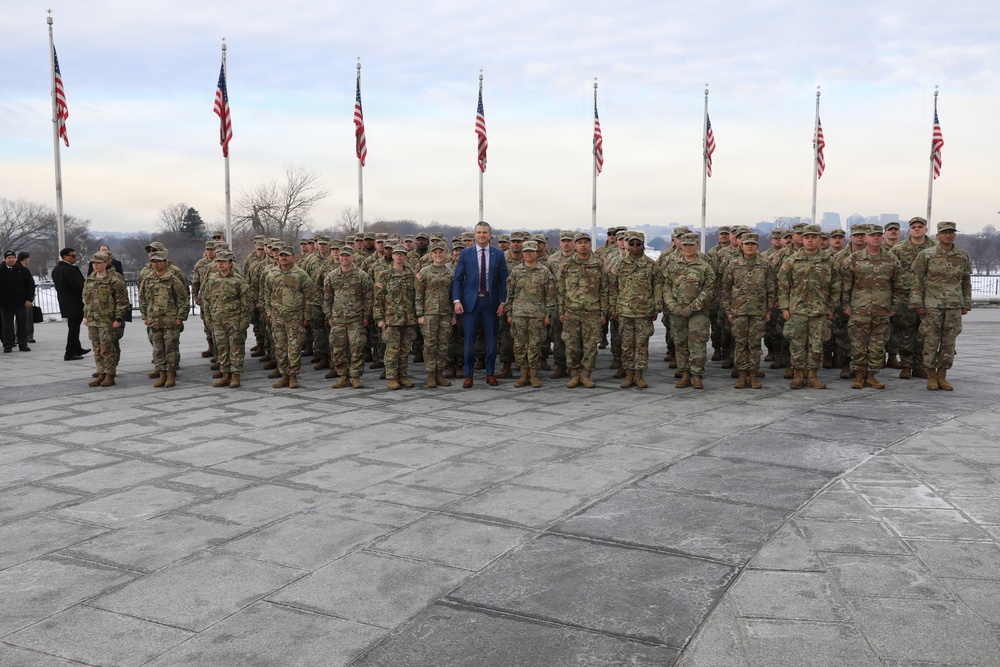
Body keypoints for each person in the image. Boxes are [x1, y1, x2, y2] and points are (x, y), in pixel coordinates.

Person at [910, 220, 972, 391]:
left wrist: (966, 303)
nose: (948, 235)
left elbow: (966, 281)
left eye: (951, 232)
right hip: (932, 305)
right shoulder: (926, 255)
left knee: (949, 342)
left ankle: (942, 375)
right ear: (937, 235)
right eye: (944, 232)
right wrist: (917, 303)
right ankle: (930, 375)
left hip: (953, 306)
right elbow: (917, 280)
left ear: (954, 235)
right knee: (930, 340)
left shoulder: (961, 256)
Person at [841, 225, 904, 389]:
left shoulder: (891, 260)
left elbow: (898, 286)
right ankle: (859, 375)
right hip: (859, 310)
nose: (875, 238)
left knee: (877, 346)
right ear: (865, 238)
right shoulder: (854, 259)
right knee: (858, 345)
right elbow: (846, 285)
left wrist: (894, 307)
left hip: (882, 310)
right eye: (872, 235)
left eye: (878, 235)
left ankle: (871, 375)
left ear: (882, 237)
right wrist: (846, 305)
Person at [778, 225, 841, 389]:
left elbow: (836, 287)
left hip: (820, 311)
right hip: (797, 310)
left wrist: (831, 308)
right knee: (797, 344)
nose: (810, 240)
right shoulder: (792, 261)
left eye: (814, 237)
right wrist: (785, 307)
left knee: (817, 345)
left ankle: (812, 375)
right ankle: (798, 375)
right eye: (807, 237)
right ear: (802, 239)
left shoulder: (829, 262)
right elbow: (783, 286)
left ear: (820, 240)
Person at [452, 221, 508, 387]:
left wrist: (503, 302)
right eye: (479, 232)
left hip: (491, 303)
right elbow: (457, 279)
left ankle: (490, 373)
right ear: (474, 235)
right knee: (469, 341)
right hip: (470, 303)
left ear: (490, 235)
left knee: (491, 340)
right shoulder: (466, 254)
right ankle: (469, 375)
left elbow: (503, 280)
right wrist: (456, 301)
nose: (482, 235)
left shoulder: (498, 254)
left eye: (485, 232)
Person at [662, 233, 716, 389]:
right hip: (677, 312)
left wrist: (692, 308)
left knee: (697, 344)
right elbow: (666, 288)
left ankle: (697, 375)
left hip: (698, 313)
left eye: (691, 245)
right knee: (680, 344)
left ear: (697, 246)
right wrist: (674, 306)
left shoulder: (705, 267)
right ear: (680, 246)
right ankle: (684, 374)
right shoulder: (673, 266)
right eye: (685, 245)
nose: (687, 248)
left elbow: (708, 290)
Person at [721, 233, 774, 389]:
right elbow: (725, 289)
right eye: (747, 244)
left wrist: (768, 309)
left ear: (757, 246)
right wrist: (728, 310)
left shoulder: (765, 265)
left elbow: (771, 290)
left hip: (758, 312)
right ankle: (742, 374)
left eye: (753, 244)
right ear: (741, 246)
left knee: (755, 345)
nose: (750, 246)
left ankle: (754, 374)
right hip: (739, 312)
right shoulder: (733, 265)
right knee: (740, 344)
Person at [609, 232, 661, 389]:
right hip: (624, 311)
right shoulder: (618, 265)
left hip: (644, 312)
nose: (635, 247)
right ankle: (628, 374)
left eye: (638, 244)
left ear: (643, 245)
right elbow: (612, 288)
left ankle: (639, 375)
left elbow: (658, 287)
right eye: (632, 244)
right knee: (626, 344)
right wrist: (614, 308)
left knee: (641, 344)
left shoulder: (651, 265)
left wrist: (656, 307)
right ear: (627, 245)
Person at [557, 232, 609, 388]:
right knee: (571, 345)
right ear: (575, 245)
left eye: (586, 242)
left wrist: (603, 312)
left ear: (590, 245)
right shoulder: (567, 265)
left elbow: (604, 290)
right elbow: (560, 290)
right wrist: (561, 311)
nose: (583, 245)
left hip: (592, 312)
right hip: (571, 312)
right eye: (580, 243)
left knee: (590, 346)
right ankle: (573, 374)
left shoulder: (598, 264)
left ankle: (586, 375)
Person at [890, 216, 937, 379]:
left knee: (924, 334)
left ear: (926, 229)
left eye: (920, 226)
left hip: (928, 297)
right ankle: (906, 366)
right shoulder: (898, 249)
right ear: (909, 230)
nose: (917, 229)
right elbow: (890, 270)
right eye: (914, 227)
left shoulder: (935, 248)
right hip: (906, 297)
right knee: (905, 332)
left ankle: (920, 366)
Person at [506, 240, 555, 388]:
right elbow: (510, 294)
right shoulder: (516, 271)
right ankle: (523, 374)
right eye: (526, 251)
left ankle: (534, 375)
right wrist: (509, 313)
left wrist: (548, 314)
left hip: (537, 315)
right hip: (519, 314)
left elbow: (550, 296)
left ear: (536, 253)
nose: (528, 254)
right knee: (519, 346)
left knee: (535, 346)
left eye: (531, 251)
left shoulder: (544, 271)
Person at [324, 244, 374, 389]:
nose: (344, 258)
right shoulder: (332, 276)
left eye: (347, 255)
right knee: (338, 349)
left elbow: (369, 298)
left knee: (357, 348)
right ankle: (343, 376)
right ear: (339, 257)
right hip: (338, 320)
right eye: (342, 255)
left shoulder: (362, 276)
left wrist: (366, 316)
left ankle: (356, 377)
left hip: (356, 319)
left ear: (352, 257)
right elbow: (327, 298)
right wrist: (329, 316)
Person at [201, 251, 252, 388]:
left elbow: (246, 303)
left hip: (234, 320)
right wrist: (209, 319)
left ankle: (235, 376)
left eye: (223, 261)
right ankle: (225, 374)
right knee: (222, 349)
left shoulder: (237, 280)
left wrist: (243, 323)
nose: (220, 264)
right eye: (218, 261)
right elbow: (206, 300)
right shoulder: (211, 279)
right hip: (218, 321)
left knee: (236, 349)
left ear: (230, 263)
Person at [140, 251, 190, 387]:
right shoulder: (148, 279)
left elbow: (183, 300)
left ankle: (171, 375)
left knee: (171, 349)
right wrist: (145, 315)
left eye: (159, 261)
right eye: (153, 261)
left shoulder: (173, 280)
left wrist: (180, 317)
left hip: (170, 321)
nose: (156, 264)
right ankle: (161, 374)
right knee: (158, 349)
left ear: (165, 262)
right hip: (154, 321)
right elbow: (143, 299)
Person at [82, 251, 129, 387]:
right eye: (93, 263)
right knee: (97, 349)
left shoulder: (114, 280)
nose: (95, 265)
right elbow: (86, 300)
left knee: (107, 348)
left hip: (108, 320)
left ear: (106, 263)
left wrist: (118, 319)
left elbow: (122, 301)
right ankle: (101, 373)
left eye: (98, 263)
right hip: (93, 320)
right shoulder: (90, 279)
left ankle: (109, 374)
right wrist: (86, 316)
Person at [268, 246, 313, 388]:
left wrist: (306, 316)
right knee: (280, 347)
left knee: (294, 348)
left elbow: (309, 296)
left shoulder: (301, 275)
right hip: (277, 317)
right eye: (281, 255)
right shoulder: (272, 274)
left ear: (293, 256)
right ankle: (284, 375)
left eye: (286, 255)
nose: (283, 258)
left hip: (295, 317)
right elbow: (265, 293)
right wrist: (269, 313)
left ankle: (293, 376)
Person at [375, 244, 418, 390]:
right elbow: (378, 299)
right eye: (396, 254)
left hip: (408, 319)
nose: (399, 256)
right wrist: (379, 319)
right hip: (391, 320)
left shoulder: (411, 274)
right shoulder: (384, 275)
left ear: (406, 256)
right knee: (392, 350)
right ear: (392, 256)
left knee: (405, 350)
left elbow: (416, 296)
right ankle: (392, 377)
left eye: (402, 254)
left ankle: (403, 375)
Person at [415, 240, 455, 388]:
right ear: (431, 255)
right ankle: (430, 375)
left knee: (443, 345)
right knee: (430, 345)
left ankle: (440, 373)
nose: (438, 255)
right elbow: (418, 294)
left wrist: (454, 316)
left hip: (445, 314)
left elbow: (453, 295)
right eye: (435, 253)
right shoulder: (424, 272)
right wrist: (419, 314)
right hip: (429, 314)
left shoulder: (450, 272)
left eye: (441, 252)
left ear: (445, 254)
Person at [51, 247, 91, 361]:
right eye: (72, 256)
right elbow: (78, 287)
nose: (75, 258)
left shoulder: (58, 269)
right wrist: (84, 299)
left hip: (66, 302)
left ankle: (77, 348)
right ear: (65, 257)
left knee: (73, 326)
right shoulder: (68, 270)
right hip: (74, 302)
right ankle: (69, 352)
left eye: (75, 255)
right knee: (73, 328)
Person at [1, 250, 35, 353]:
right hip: (4, 303)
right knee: (7, 325)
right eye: (9, 258)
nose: (11, 260)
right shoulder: (1, 270)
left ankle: (23, 344)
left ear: (16, 259)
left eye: (13, 258)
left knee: (22, 324)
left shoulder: (24, 271)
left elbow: (30, 285)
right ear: (5, 259)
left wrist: (29, 299)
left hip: (21, 303)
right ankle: (8, 344)